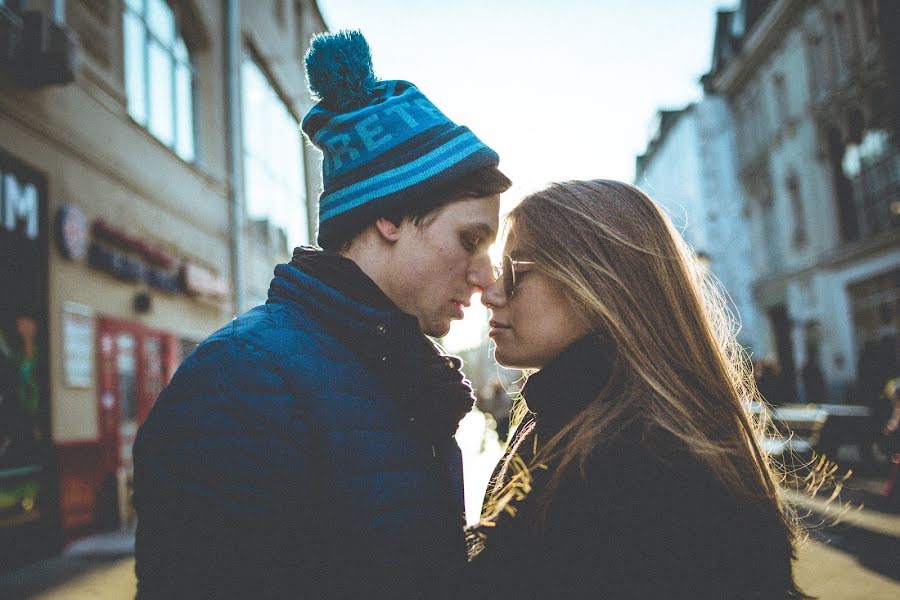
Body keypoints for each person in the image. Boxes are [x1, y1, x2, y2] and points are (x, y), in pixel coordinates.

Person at [133, 30, 511, 599]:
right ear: (389, 215)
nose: (487, 278)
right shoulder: (241, 382)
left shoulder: (396, 375)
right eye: (470, 239)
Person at [467, 180, 805, 599]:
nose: (492, 294)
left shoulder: (638, 461)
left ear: (598, 284)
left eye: (516, 272)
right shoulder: (576, 419)